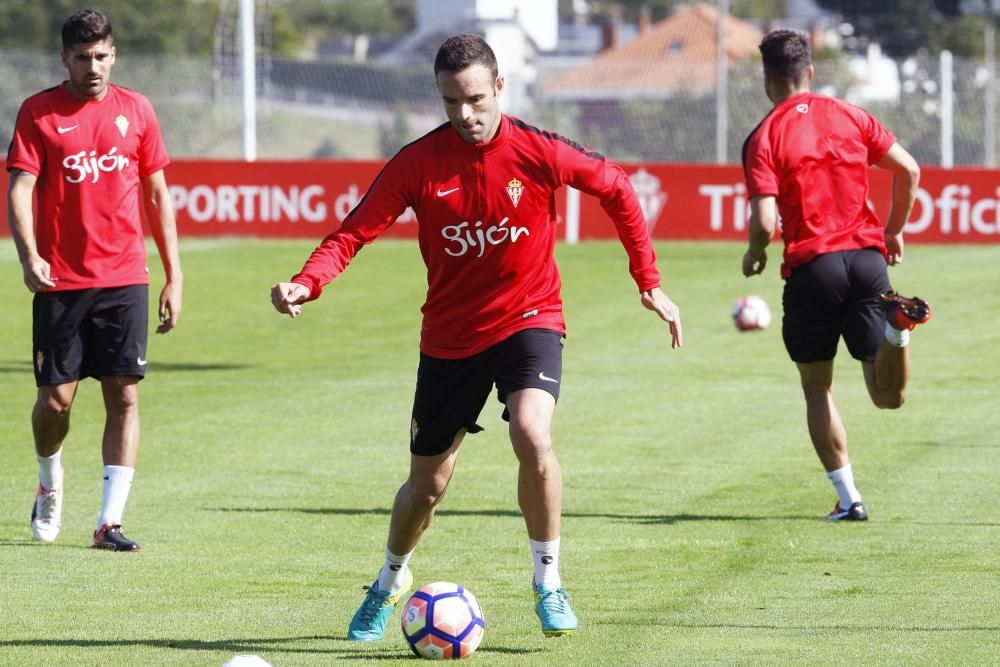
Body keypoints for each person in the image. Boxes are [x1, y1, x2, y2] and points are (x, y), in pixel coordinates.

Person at [271, 34, 682, 639]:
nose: (464, 114)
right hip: (450, 339)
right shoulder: (417, 163)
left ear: (499, 89)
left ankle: (548, 582)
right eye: (449, 102)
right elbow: (352, 233)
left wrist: (647, 281)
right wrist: (308, 283)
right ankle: (388, 581)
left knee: (531, 432)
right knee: (426, 486)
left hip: (529, 318)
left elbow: (617, 187)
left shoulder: (538, 150)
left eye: (473, 99)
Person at [6, 10, 183, 551]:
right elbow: (19, 190)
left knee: (123, 395)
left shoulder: (138, 111)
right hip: (60, 281)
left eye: (102, 55)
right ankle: (48, 477)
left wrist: (175, 276)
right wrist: (29, 255)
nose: (93, 66)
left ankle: (109, 523)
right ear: (65, 58)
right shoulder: (38, 113)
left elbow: (158, 196)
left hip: (125, 277)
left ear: (114, 54)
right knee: (56, 402)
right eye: (82, 57)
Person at [741, 29, 930, 521]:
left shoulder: (764, 135)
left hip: (814, 267)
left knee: (817, 387)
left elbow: (764, 222)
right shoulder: (851, 115)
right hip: (867, 261)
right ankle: (898, 329)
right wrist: (892, 232)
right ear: (811, 72)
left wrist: (754, 251)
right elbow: (908, 170)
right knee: (888, 396)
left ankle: (849, 500)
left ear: (767, 79)